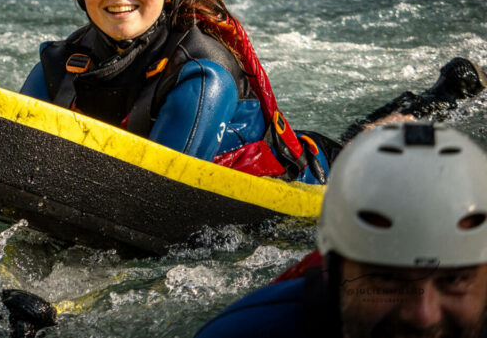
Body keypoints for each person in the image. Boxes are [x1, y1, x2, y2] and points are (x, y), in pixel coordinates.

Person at [20, 0, 484, 184]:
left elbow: (155, 194)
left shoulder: (203, 74)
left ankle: (436, 102)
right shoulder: (62, 63)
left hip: (311, 176)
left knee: (368, 147)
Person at [194, 121, 487, 338]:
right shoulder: (246, 331)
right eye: (386, 279)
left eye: (456, 279)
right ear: (333, 271)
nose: (423, 316)